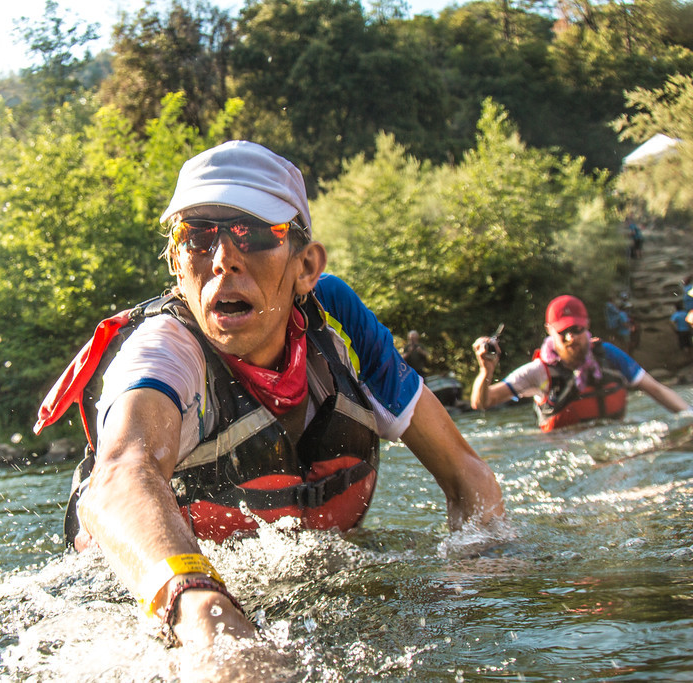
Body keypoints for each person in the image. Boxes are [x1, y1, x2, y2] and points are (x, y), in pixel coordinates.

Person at [35, 140, 504, 656]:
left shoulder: (340, 321)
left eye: (254, 234)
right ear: (176, 263)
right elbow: (122, 476)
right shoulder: (163, 351)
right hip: (156, 607)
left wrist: (476, 582)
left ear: (306, 266)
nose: (223, 260)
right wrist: (204, 613)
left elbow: (468, 476)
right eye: (197, 236)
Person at [471, 294, 689, 431]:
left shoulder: (609, 355)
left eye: (576, 329)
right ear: (549, 331)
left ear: (587, 325)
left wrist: (689, 417)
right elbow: (482, 402)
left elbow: (656, 389)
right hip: (565, 454)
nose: (571, 338)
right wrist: (486, 372)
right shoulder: (538, 372)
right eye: (563, 331)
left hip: (616, 444)